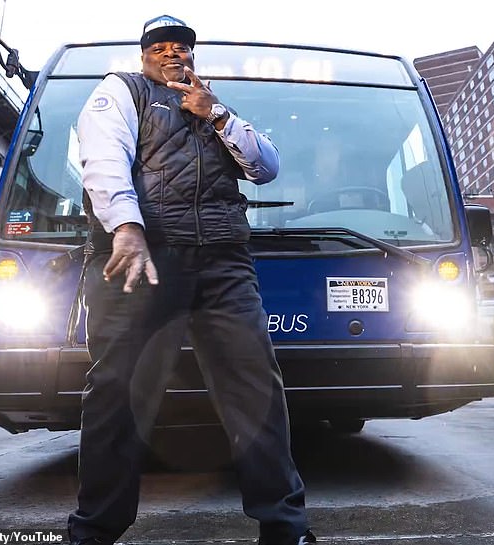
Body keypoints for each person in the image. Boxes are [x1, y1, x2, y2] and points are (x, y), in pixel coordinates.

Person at [68, 14, 314, 545]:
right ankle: (93, 531)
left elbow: (265, 166)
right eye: (160, 47)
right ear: (143, 56)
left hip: (224, 262)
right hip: (146, 259)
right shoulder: (121, 92)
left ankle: (285, 527)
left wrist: (217, 114)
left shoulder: (210, 105)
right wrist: (127, 229)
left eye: (181, 47)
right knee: (119, 391)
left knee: (256, 388)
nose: (172, 54)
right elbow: (103, 159)